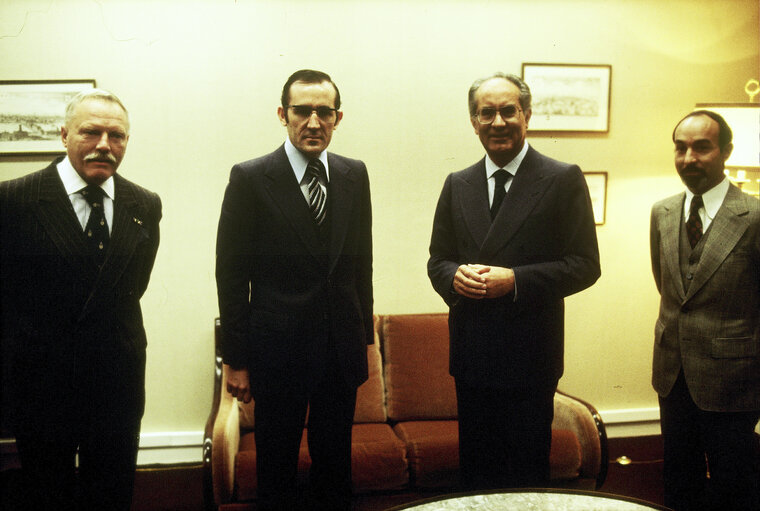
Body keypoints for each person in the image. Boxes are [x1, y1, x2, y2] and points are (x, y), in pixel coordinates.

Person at [427, 72, 600, 490]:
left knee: (524, 479)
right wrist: (455, 277)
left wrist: (517, 280)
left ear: (527, 115)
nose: (498, 122)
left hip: (529, 359)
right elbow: (438, 261)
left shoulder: (561, 178)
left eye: (509, 111)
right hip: (472, 358)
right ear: (474, 121)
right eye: (487, 113)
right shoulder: (458, 183)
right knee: (478, 478)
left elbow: (585, 264)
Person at [215, 69, 373, 510]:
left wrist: (364, 341)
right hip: (276, 353)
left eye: (325, 112)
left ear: (338, 118)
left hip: (339, 352)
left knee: (334, 468)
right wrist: (237, 359)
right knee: (277, 469)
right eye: (303, 111)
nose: (314, 122)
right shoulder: (250, 177)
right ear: (283, 115)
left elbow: (363, 264)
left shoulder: (353, 174)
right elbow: (230, 277)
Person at [0, 89, 162, 510]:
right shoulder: (14, 201)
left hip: (117, 383)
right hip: (42, 385)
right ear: (64, 135)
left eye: (117, 135)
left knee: (111, 494)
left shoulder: (144, 203)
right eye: (91, 132)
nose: (105, 145)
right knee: (46, 494)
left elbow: (132, 288)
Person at [650, 110, 760, 510]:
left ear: (726, 151)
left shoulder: (754, 216)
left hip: (734, 380)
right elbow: (670, 288)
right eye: (680, 148)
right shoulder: (661, 213)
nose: (688, 158)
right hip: (672, 374)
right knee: (679, 481)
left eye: (701, 147)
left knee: (736, 486)